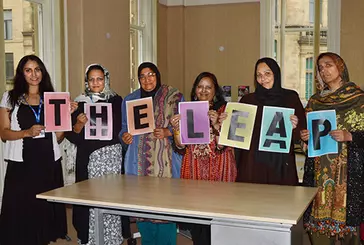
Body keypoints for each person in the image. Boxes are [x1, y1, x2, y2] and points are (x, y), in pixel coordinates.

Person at [0, 55, 69, 245]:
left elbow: (58, 136)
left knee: (43, 213)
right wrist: (26, 133)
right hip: (22, 164)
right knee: (21, 212)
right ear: (21, 74)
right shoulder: (10, 98)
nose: (34, 74)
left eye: (37, 69)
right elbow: (4, 134)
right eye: (28, 70)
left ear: (42, 72)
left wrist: (66, 116)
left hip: (47, 162)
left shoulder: (51, 98)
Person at [65, 64, 135, 245]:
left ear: (106, 79)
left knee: (111, 198)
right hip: (88, 160)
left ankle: (112, 238)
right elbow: (72, 136)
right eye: (91, 79)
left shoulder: (117, 101)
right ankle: (90, 239)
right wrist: (79, 124)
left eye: (99, 78)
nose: (96, 83)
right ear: (86, 81)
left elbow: (122, 129)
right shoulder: (78, 103)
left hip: (111, 157)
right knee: (90, 199)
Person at [300, 52, 364, 245]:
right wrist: (305, 138)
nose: (323, 70)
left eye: (328, 65)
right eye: (320, 67)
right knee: (318, 233)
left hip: (348, 174)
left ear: (340, 68)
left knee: (349, 234)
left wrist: (350, 136)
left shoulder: (359, 99)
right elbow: (307, 145)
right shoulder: (315, 102)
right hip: (319, 172)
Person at [120, 62, 184, 245]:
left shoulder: (174, 96)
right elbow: (124, 128)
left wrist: (168, 132)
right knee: (143, 209)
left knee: (165, 208)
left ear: (158, 75)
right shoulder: (130, 99)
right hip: (138, 163)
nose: (147, 79)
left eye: (151, 74)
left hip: (165, 163)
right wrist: (124, 136)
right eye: (142, 76)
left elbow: (184, 126)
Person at [170, 72, 237, 245]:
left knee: (219, 225)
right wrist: (176, 128)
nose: (204, 90)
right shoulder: (186, 110)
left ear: (215, 90)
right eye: (200, 86)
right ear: (195, 90)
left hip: (219, 173)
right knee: (198, 225)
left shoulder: (225, 111)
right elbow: (180, 146)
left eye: (209, 87)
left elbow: (226, 144)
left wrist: (215, 125)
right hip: (195, 172)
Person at [236, 57, 306, 185]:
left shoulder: (290, 98)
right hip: (253, 163)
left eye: (267, 74)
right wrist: (226, 122)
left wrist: (295, 127)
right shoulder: (248, 100)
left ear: (276, 74)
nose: (263, 79)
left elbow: (301, 135)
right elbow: (237, 136)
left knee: (281, 201)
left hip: (280, 162)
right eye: (259, 75)